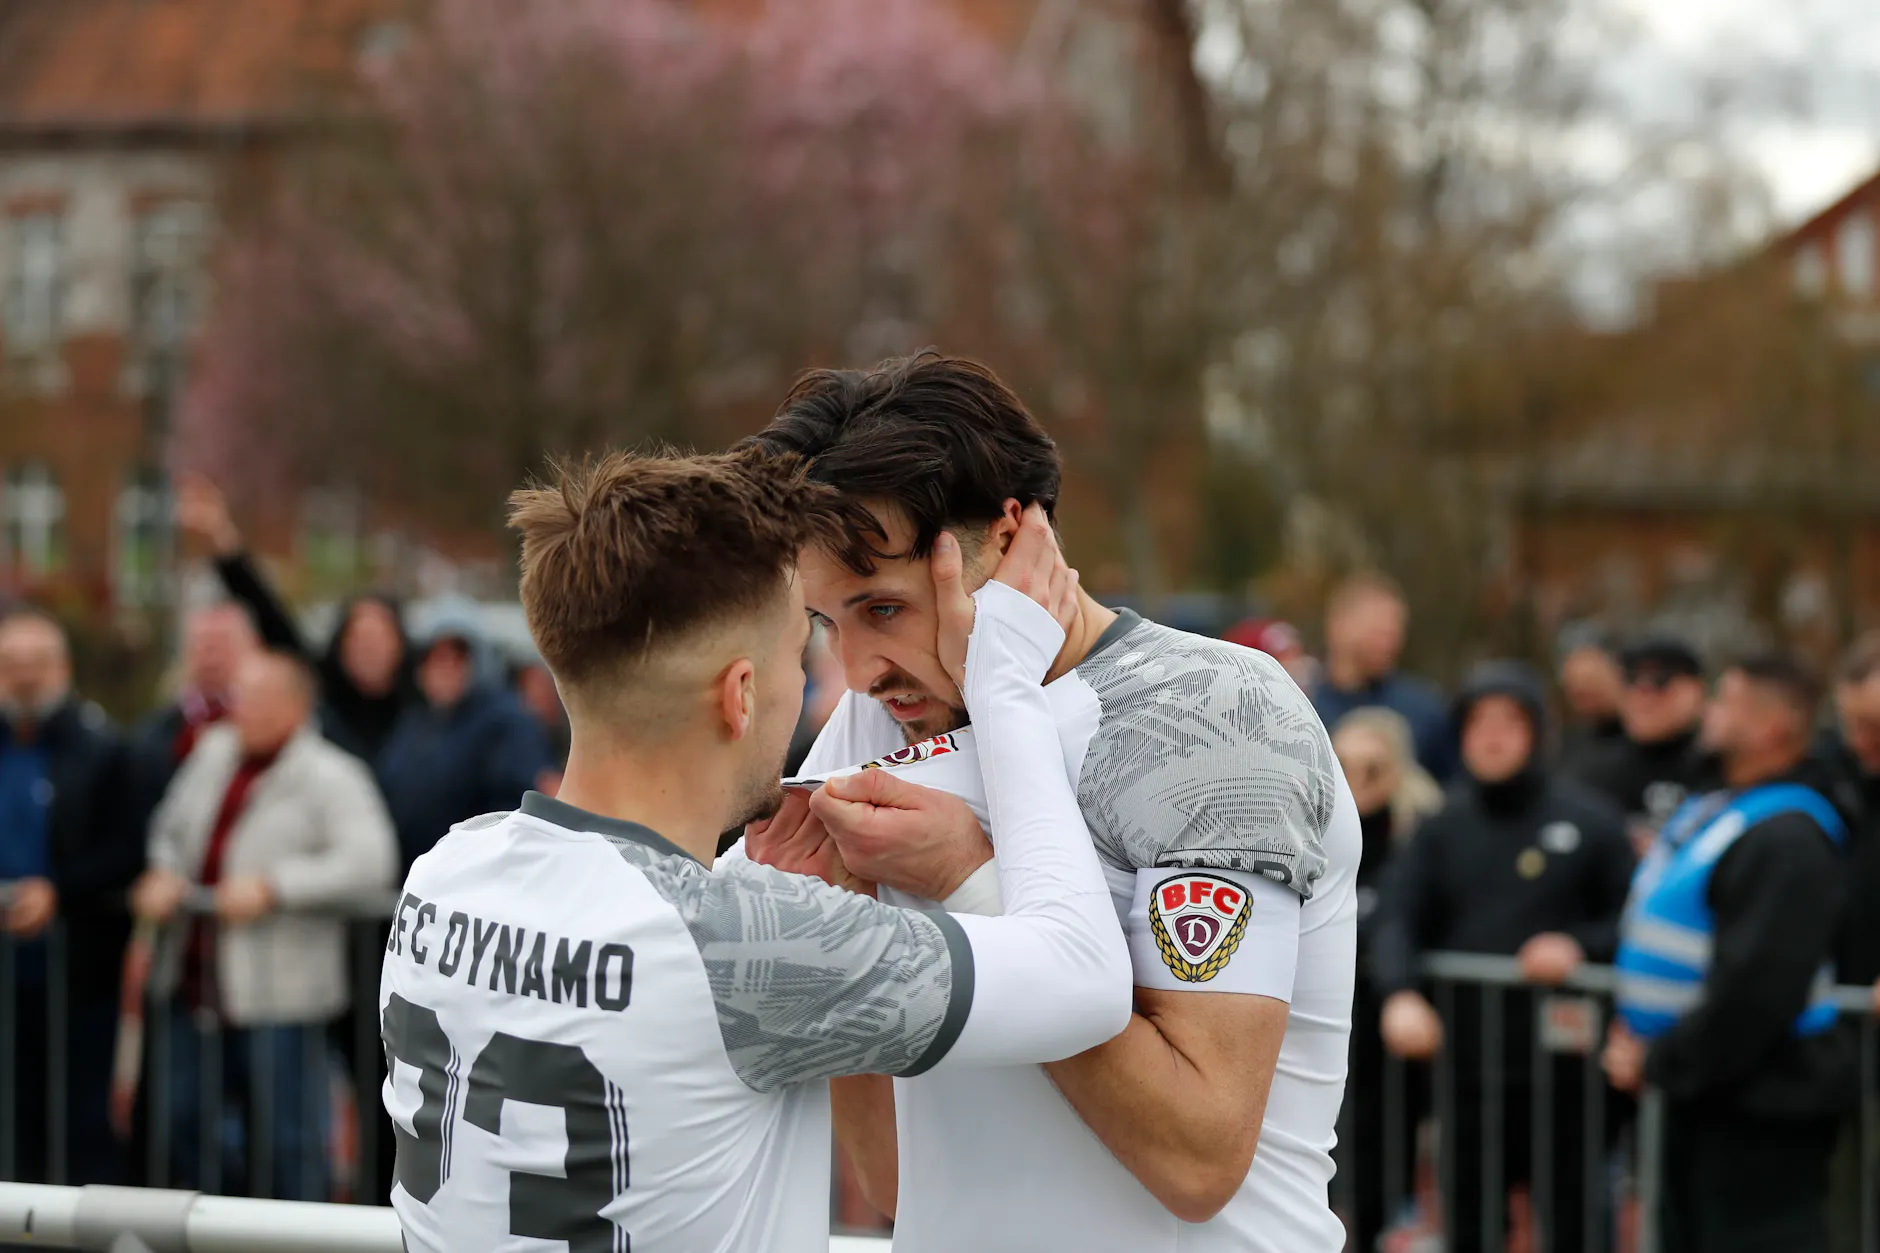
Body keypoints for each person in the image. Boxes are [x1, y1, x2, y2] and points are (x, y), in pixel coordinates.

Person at [381, 448, 1131, 1252]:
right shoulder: (749, 942)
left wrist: (753, 861)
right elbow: (1083, 979)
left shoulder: (445, 871)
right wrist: (1004, 677)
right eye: (800, 651)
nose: (832, 679)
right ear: (740, 693)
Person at [739, 352, 1360, 1253]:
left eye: (884, 609)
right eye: (830, 622)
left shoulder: (1215, 715)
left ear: (1014, 533)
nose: (860, 673)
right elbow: (896, 1176)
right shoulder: (886, 722)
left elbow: (1197, 1158)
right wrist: (836, 929)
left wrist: (969, 879)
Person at [1373, 661, 1635, 1253]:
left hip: (1569, 1075)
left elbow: (1632, 921)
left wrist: (1580, 946)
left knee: (1578, 1223)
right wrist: (1402, 994)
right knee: (1470, 1222)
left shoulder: (1591, 822)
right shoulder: (1442, 827)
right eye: (1478, 722)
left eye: (1510, 722)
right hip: (1468, 1070)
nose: (1492, 736)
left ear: (1537, 733)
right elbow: (1398, 916)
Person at [1606, 655, 1853, 1253]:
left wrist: (1660, 1059)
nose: (1709, 711)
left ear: (1772, 726)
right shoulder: (1723, 808)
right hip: (1708, 1098)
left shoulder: (1789, 834)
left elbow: (1759, 989)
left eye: (1726, 701)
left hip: (1761, 1108)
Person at [131, 648, 398, 1200]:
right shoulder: (213, 754)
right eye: (238, 697)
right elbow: (169, 828)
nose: (240, 710)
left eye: (254, 698)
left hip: (282, 997)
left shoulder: (332, 775)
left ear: (296, 707)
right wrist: (162, 872)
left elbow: (372, 860)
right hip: (194, 982)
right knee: (181, 1124)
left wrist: (276, 887)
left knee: (289, 1143)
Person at [0, 607, 140, 1185]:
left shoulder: (106, 749)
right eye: (11, 665)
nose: (24, 676)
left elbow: (129, 850)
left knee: (78, 1128)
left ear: (64, 668)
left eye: (36, 663)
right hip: (6, 982)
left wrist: (58, 893)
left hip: (78, 977)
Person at [173, 476, 418, 763]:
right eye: (359, 638)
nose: (368, 648)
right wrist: (220, 537)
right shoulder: (323, 693)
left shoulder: (423, 706)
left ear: (399, 643)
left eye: (378, 638)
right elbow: (271, 618)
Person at [1329, 707, 1442, 1253]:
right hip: (1332, 1035)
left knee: (1381, 1171)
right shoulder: (1317, 832)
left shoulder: (1420, 837)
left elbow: (1402, 921)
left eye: (1371, 767)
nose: (1355, 781)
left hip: (1390, 1042)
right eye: (1342, 763)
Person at [376, 606, 554, 872]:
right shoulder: (412, 722)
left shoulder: (506, 722)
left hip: (476, 880)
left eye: (456, 657)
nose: (445, 668)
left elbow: (525, 804)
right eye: (434, 657)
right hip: (416, 880)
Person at [1570, 635, 1717, 843]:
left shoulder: (1721, 768)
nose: (1643, 692)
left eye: (1661, 680)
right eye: (1631, 679)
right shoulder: (1590, 772)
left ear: (1696, 689)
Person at [1312, 573, 1456, 780]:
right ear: (1338, 626)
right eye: (1377, 629)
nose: (1389, 642)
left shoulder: (1424, 710)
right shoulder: (1302, 706)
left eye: (1395, 631)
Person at [129, 601, 257, 819]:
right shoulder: (152, 737)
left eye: (223, 645)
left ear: (252, 649)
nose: (212, 658)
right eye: (203, 646)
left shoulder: (279, 728)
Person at [1557, 628, 1626, 779]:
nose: (1584, 691)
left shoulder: (1643, 742)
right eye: (1577, 691)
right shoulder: (1565, 745)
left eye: (1592, 681)